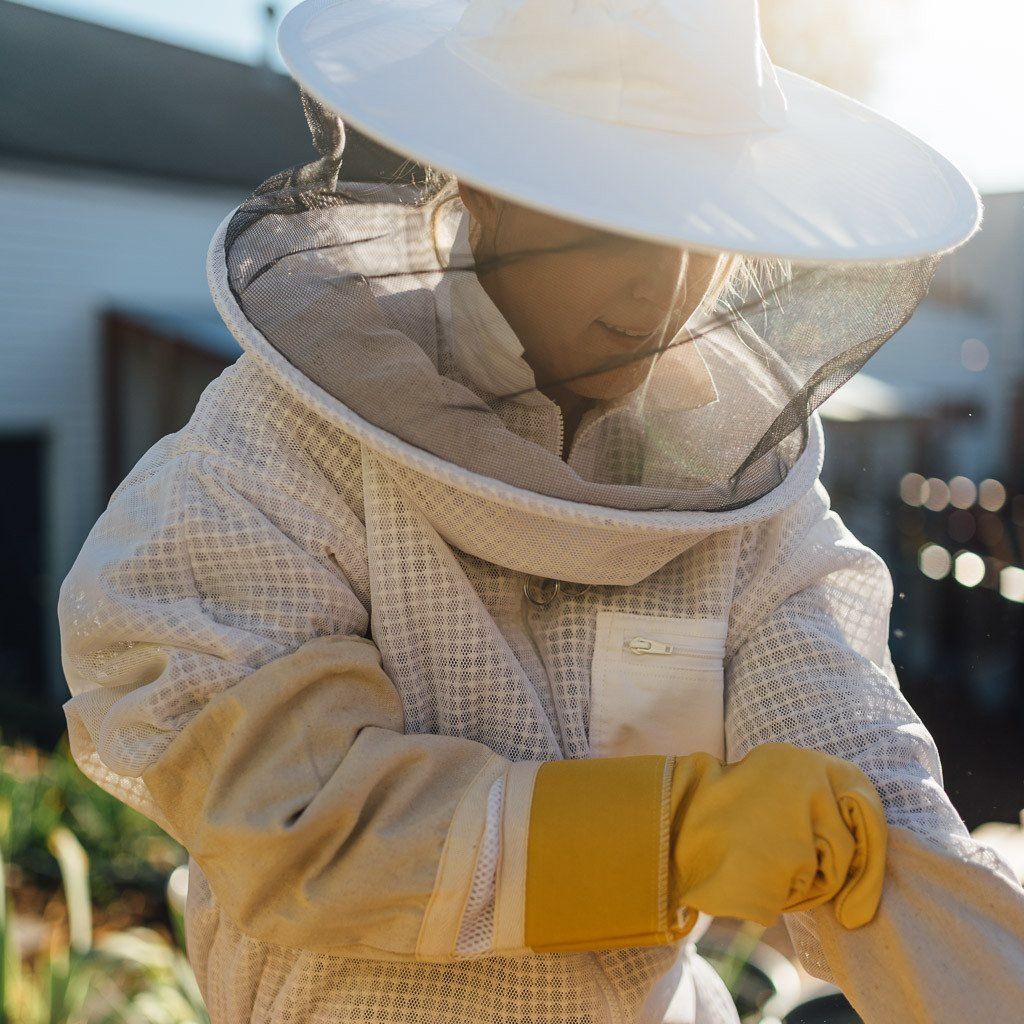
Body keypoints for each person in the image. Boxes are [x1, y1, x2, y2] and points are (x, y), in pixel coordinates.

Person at [57, 1, 1024, 1021]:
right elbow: (290, 818)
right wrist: (664, 835)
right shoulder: (285, 447)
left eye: (699, 219)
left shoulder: (743, 497)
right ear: (483, 182)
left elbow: (869, 798)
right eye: (610, 214)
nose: (664, 284)